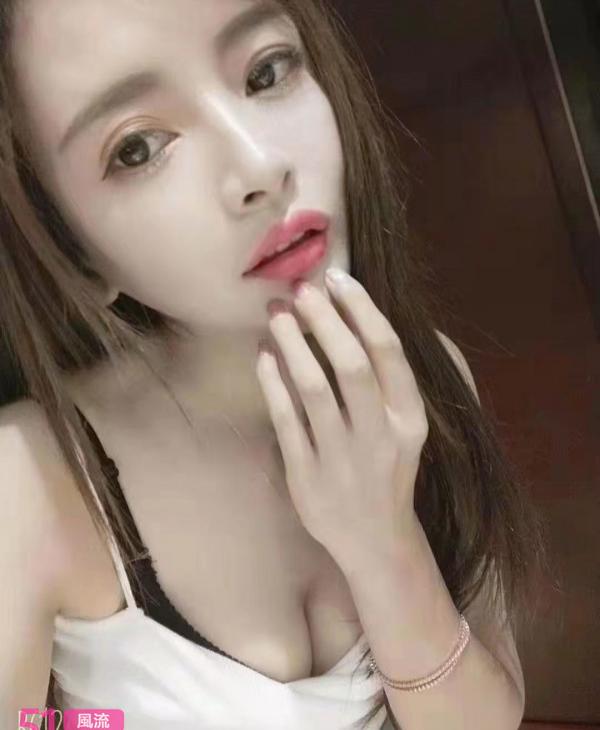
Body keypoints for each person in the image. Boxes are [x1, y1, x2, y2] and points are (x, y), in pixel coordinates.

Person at [0, 1, 548, 728]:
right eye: (137, 148)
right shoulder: (31, 485)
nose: (260, 165)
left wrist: (383, 542)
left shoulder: (425, 380)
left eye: (266, 72)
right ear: (69, 249)